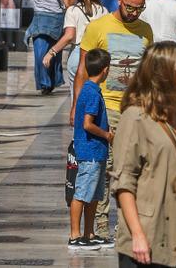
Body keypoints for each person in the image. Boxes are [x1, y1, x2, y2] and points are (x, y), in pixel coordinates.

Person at [74, 0, 155, 241]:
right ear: (119, 0)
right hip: (105, 107)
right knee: (103, 169)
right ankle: (99, 227)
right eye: (129, 7)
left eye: (139, 8)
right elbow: (82, 72)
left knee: (131, 168)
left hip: (135, 108)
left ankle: (125, 227)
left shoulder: (146, 30)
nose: (133, 13)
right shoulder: (98, 27)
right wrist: (77, 107)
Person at [112, 43, 176, 268]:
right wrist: (138, 235)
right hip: (148, 241)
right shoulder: (136, 117)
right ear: (167, 72)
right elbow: (124, 183)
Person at [71, 49, 114, 248]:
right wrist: (106, 134)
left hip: (97, 152)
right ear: (105, 70)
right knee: (82, 193)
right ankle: (75, 234)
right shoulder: (92, 93)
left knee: (95, 195)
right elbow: (88, 124)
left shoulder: (91, 90)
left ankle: (89, 232)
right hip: (90, 151)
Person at [44, 0, 109, 100]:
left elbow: (69, 36)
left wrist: (51, 52)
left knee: (77, 97)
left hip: (78, 54)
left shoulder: (73, 11)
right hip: (97, 56)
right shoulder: (104, 11)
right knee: (95, 96)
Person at [24, 0, 67, 94]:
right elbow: (65, 3)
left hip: (40, 21)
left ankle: (45, 83)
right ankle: (54, 80)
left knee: (40, 54)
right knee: (54, 52)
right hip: (56, 21)